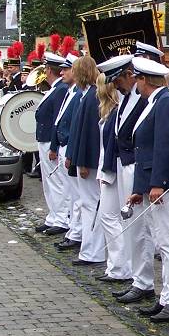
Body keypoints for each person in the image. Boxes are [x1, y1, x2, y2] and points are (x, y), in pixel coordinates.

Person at [125, 56, 169, 323]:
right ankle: (166, 297)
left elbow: (165, 145)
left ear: (144, 80)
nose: (135, 84)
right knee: (161, 241)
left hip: (163, 185)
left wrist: (158, 183)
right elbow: (146, 149)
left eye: (137, 79)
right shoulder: (156, 102)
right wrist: (140, 187)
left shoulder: (165, 102)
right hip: (152, 182)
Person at [111, 60, 153, 305]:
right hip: (124, 163)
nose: (117, 85)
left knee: (139, 228)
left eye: (119, 79)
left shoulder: (144, 101)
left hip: (136, 165)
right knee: (130, 225)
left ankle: (143, 281)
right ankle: (138, 278)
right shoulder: (127, 98)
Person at [94, 56, 134, 283]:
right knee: (109, 217)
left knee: (113, 217)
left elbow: (112, 147)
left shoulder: (117, 110)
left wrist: (105, 172)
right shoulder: (112, 111)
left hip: (114, 169)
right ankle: (117, 265)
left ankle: (121, 266)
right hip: (109, 168)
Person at [65, 55, 106, 266]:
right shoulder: (88, 95)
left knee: (91, 206)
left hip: (88, 162)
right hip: (85, 160)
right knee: (89, 205)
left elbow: (89, 134)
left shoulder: (91, 97)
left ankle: (93, 252)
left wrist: (81, 162)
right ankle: (90, 249)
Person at [33, 52, 70, 236]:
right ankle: (53, 216)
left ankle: (61, 219)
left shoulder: (60, 89)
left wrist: (54, 146)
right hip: (45, 139)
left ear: (48, 70)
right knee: (49, 182)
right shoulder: (55, 89)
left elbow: (58, 120)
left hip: (50, 141)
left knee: (56, 182)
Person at [50, 54, 83, 251]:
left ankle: (76, 232)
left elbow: (76, 126)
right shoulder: (71, 92)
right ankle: (73, 229)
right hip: (64, 145)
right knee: (70, 193)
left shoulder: (78, 94)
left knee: (76, 196)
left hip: (70, 146)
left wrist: (69, 151)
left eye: (66, 69)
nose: (61, 72)